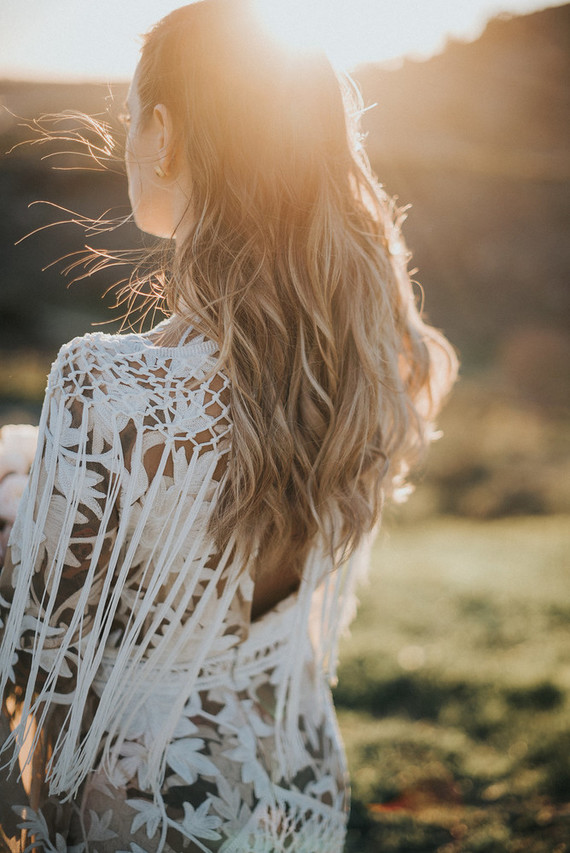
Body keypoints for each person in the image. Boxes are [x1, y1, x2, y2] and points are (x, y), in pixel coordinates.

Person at [0, 0, 458, 850]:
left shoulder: (106, 385)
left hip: (141, 813)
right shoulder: (384, 354)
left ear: (165, 132)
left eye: (132, 119)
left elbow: (45, 663)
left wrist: (11, 524)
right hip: (289, 792)